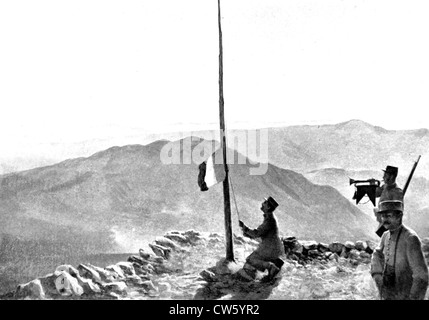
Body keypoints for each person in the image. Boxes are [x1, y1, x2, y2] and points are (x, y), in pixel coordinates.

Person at [371, 199, 428, 300]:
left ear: (399, 216)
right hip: (387, 290)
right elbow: (377, 253)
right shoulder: (385, 235)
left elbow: (421, 276)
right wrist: (377, 274)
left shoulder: (410, 238)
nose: (384, 220)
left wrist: (413, 298)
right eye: (383, 216)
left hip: (404, 292)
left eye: (388, 216)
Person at [237, 196, 285, 282]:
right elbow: (260, 234)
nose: (262, 204)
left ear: (268, 207)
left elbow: (256, 233)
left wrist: (245, 228)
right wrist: (246, 232)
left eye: (265, 203)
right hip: (274, 247)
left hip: (270, 248)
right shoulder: (270, 217)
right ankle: (275, 263)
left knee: (250, 260)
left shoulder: (269, 219)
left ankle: (270, 267)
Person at [374, 165, 404, 236]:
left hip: (390, 224)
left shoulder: (397, 192)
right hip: (383, 220)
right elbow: (375, 194)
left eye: (385, 175)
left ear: (391, 177)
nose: (383, 177)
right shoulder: (385, 186)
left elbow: (397, 212)